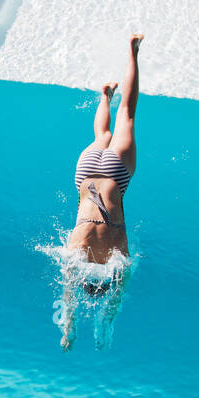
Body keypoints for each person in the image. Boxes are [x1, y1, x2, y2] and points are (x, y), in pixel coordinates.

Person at [59, 33, 142, 350]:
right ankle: (105, 95)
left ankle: (133, 53)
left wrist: (103, 327)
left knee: (129, 115)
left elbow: (116, 299)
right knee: (101, 134)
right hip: (85, 174)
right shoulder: (74, 254)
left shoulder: (118, 259)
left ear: (105, 280)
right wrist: (68, 328)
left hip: (116, 175)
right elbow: (67, 296)